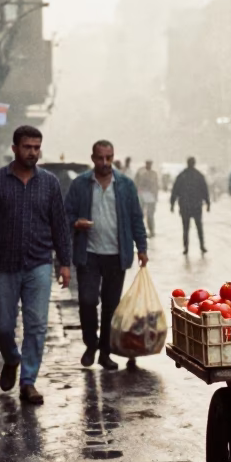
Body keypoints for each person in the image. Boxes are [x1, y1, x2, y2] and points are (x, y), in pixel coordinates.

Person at [0, 125, 72, 406]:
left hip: (39, 263)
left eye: (37, 147)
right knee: (1, 323)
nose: (32, 152)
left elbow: (60, 225)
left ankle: (28, 382)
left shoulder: (49, 183)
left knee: (37, 325)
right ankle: (12, 358)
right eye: (27, 147)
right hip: (3, 264)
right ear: (14, 148)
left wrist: (65, 262)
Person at [65, 141, 149, 372]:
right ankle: (90, 343)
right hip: (88, 254)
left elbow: (136, 217)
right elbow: (66, 213)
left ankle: (105, 352)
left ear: (113, 157)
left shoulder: (125, 185)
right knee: (87, 301)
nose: (105, 163)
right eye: (100, 158)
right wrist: (76, 223)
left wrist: (142, 247)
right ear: (93, 158)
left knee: (111, 306)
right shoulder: (80, 184)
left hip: (116, 255)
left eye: (109, 158)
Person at [170, 157, 211, 256]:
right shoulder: (198, 175)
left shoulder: (182, 176)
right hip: (195, 205)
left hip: (185, 205)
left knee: (186, 228)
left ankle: (186, 247)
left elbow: (175, 190)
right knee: (198, 227)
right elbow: (204, 190)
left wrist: (172, 203)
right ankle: (201, 246)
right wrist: (207, 203)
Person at [133, 160, 160, 238]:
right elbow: (136, 183)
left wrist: (156, 196)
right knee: (141, 214)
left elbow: (156, 186)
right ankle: (142, 230)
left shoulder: (153, 174)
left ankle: (151, 230)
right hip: (142, 194)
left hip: (150, 196)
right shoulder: (141, 172)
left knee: (150, 215)